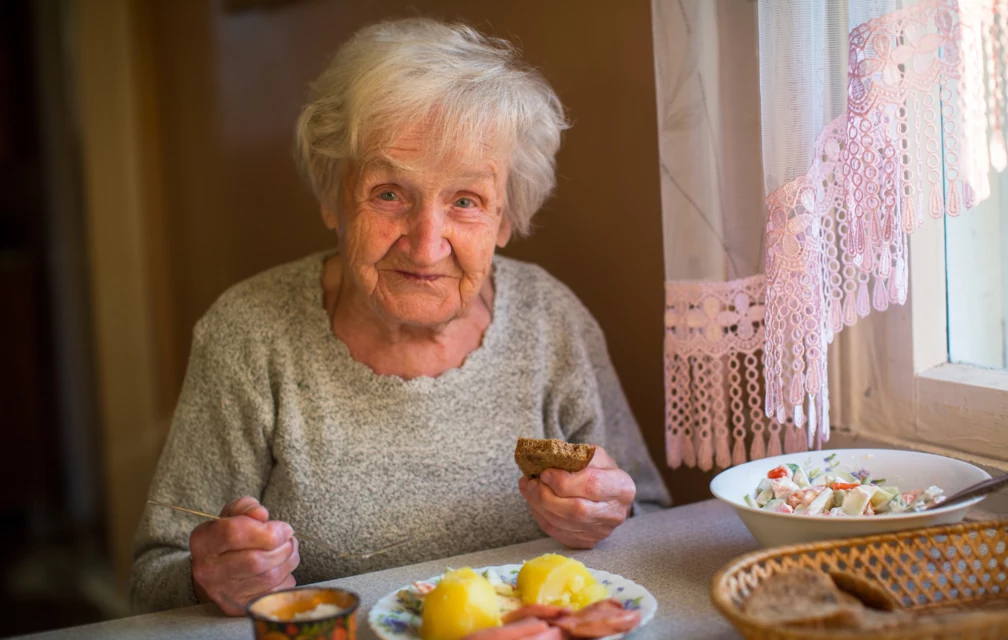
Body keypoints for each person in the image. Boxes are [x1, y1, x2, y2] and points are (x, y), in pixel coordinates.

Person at [128, 17, 670, 615]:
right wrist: (209, 579)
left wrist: (604, 522)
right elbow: (156, 575)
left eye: (465, 201)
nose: (425, 243)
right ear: (333, 196)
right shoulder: (249, 334)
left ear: (506, 219)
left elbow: (650, 519)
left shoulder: (551, 319)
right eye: (389, 193)